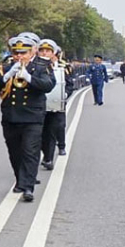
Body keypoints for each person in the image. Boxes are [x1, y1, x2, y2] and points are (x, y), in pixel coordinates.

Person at [0, 36, 55, 202]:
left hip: (32, 116)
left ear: (32, 51)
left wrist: (28, 77)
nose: (19, 56)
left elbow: (48, 85)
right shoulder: (6, 67)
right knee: (14, 151)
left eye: (23, 53)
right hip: (11, 115)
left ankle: (28, 186)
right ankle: (20, 179)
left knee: (30, 151)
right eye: (16, 53)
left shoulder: (42, 66)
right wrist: (7, 75)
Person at [40, 40, 74, 170]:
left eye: (47, 51)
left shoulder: (61, 68)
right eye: (42, 51)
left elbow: (69, 84)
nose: (45, 53)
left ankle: (49, 158)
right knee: (41, 133)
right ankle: (46, 154)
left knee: (54, 129)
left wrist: (64, 94)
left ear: (53, 53)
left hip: (56, 106)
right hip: (39, 106)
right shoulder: (35, 66)